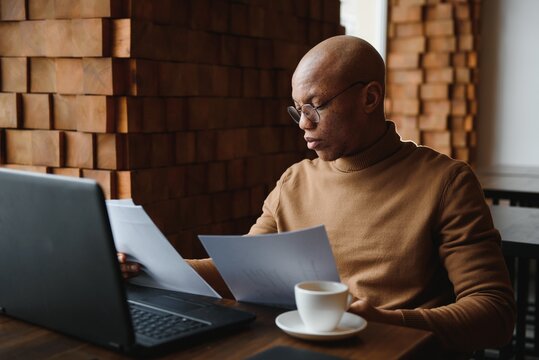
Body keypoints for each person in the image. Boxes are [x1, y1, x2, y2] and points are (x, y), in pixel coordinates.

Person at [120, 35, 515, 354]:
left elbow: (494, 315)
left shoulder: (446, 182)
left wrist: (387, 322)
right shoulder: (294, 181)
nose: (304, 125)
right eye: (297, 110)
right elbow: (239, 271)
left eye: (315, 106)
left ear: (370, 98)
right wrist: (144, 268)